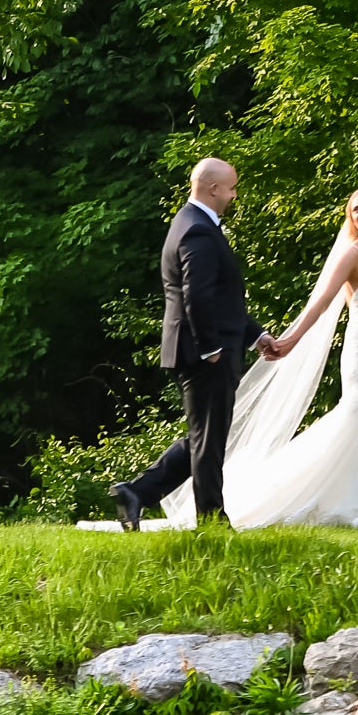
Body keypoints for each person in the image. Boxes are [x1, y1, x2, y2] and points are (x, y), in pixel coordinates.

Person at [100, 182, 358, 532]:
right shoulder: (350, 254)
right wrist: (291, 340)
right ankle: (216, 512)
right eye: (356, 208)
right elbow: (322, 302)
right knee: (353, 420)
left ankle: (144, 494)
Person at [111, 158, 287, 529]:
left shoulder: (192, 223)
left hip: (205, 347)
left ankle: (138, 493)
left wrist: (255, 335)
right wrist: (211, 349)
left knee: (204, 435)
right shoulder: (197, 230)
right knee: (209, 441)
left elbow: (222, 301)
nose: (234, 195)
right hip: (203, 352)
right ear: (212, 188)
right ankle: (211, 521)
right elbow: (198, 296)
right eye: (231, 188)